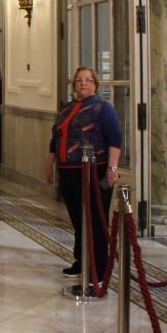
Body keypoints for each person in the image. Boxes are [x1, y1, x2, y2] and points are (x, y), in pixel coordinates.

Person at [47, 66, 122, 282]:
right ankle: (81, 261)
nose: (83, 83)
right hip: (68, 173)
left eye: (88, 80)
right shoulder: (66, 108)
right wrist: (50, 164)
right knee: (78, 220)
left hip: (94, 171)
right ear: (74, 84)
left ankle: (98, 267)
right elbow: (56, 138)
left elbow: (115, 139)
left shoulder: (102, 107)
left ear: (95, 84)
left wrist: (112, 168)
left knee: (95, 221)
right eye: (79, 80)